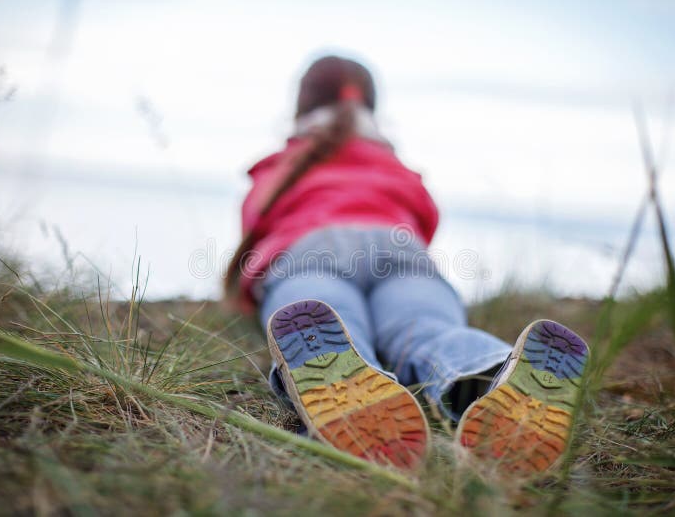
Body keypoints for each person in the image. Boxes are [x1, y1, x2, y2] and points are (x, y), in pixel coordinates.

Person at [225, 55, 589, 472]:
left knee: (330, 320)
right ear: (372, 106)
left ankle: (351, 384)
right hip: (402, 254)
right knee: (426, 330)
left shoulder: (284, 162)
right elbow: (426, 213)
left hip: (310, 252)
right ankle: (494, 373)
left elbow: (256, 218)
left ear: (302, 106)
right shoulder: (391, 162)